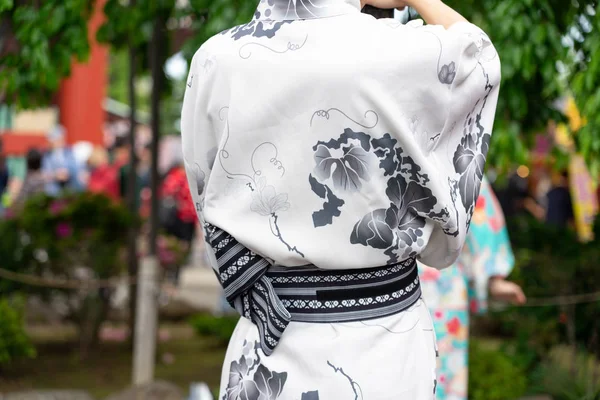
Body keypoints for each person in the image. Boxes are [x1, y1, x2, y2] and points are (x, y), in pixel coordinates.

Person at [181, 0, 501, 397]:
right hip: (381, 344)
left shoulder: (215, 59)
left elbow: (205, 196)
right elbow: (479, 57)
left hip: (264, 343)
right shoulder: (398, 53)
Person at [419, 176, 526, 400]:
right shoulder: (451, 151)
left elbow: (476, 199)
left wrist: (494, 277)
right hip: (433, 285)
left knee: (440, 375)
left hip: (439, 287)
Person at [42, 126, 83, 195]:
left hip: (70, 186)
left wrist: (68, 172)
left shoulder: (70, 152)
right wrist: (55, 175)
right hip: (54, 189)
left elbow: (78, 169)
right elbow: (44, 173)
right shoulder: (47, 155)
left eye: (55, 140)